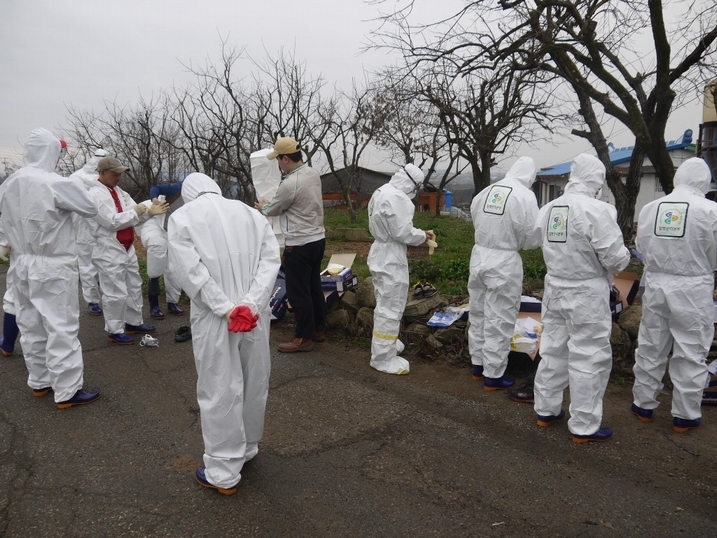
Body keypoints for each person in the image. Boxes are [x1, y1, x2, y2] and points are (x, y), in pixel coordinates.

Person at [168, 172, 280, 495]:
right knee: (254, 379)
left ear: (189, 194)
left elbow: (191, 273)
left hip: (216, 319)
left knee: (220, 387)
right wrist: (250, 305)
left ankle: (222, 470)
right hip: (254, 318)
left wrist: (226, 308)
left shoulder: (182, 218)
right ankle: (246, 447)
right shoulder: (250, 214)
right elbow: (270, 262)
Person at [532, 154, 629, 444]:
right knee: (588, 356)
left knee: (553, 350)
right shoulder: (598, 210)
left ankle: (546, 411)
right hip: (586, 292)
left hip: (555, 287)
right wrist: (624, 257)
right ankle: (583, 426)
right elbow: (616, 259)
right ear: (597, 182)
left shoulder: (548, 209)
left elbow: (539, 240)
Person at [0, 128, 100, 408]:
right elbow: (90, 208)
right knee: (60, 326)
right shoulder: (56, 183)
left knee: (30, 322)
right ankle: (67, 390)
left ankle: (40, 381)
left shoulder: (9, 182)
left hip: (21, 261)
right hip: (52, 262)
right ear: (52, 152)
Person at [631, 157, 717, 433]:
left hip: (656, 283)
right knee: (691, 351)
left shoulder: (651, 208)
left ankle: (643, 405)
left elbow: (641, 244)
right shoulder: (711, 210)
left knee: (651, 344)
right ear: (704, 181)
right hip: (693, 287)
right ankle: (685, 415)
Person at [468, 156, 541, 391]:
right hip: (504, 261)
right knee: (499, 317)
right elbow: (531, 236)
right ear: (530, 175)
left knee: (478, 312)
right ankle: (494, 375)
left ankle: (478, 366)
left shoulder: (486, 192)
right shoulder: (525, 196)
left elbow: (475, 218)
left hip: (479, 255)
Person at [87, 156, 168, 344]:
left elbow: (134, 216)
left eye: (120, 173)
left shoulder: (119, 191)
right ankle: (114, 330)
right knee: (114, 291)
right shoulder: (94, 195)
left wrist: (149, 213)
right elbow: (111, 221)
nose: (118, 177)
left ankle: (133, 322)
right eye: (115, 173)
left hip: (126, 246)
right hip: (108, 248)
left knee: (133, 285)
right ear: (102, 172)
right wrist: (138, 212)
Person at [255, 137, 325, 353]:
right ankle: (318, 328)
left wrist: (263, 206)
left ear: (285, 159)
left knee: (298, 292)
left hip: (299, 243)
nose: (277, 163)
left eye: (278, 159)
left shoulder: (289, 184)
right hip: (318, 239)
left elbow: (272, 209)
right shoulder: (312, 173)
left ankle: (304, 337)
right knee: (314, 287)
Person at [367, 164, 434, 375]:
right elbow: (402, 232)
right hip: (391, 257)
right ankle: (383, 358)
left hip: (379, 251)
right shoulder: (398, 198)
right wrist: (423, 236)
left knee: (384, 301)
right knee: (391, 307)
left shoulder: (382, 191)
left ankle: (387, 343)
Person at [69, 148, 108, 315]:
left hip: (103, 227)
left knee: (105, 264)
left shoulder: (106, 177)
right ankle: (92, 300)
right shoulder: (76, 178)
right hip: (84, 228)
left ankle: (107, 298)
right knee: (87, 266)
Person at [140, 182, 185, 319]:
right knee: (157, 254)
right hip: (155, 223)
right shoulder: (179, 188)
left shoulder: (200, 203)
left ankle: (173, 302)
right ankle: (154, 304)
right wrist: (155, 200)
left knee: (174, 266)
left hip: (173, 230)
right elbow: (156, 188)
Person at [0, 224, 20, 356]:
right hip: (60, 260)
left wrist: (3, 245)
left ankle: (7, 343)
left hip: (24, 257)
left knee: (14, 298)